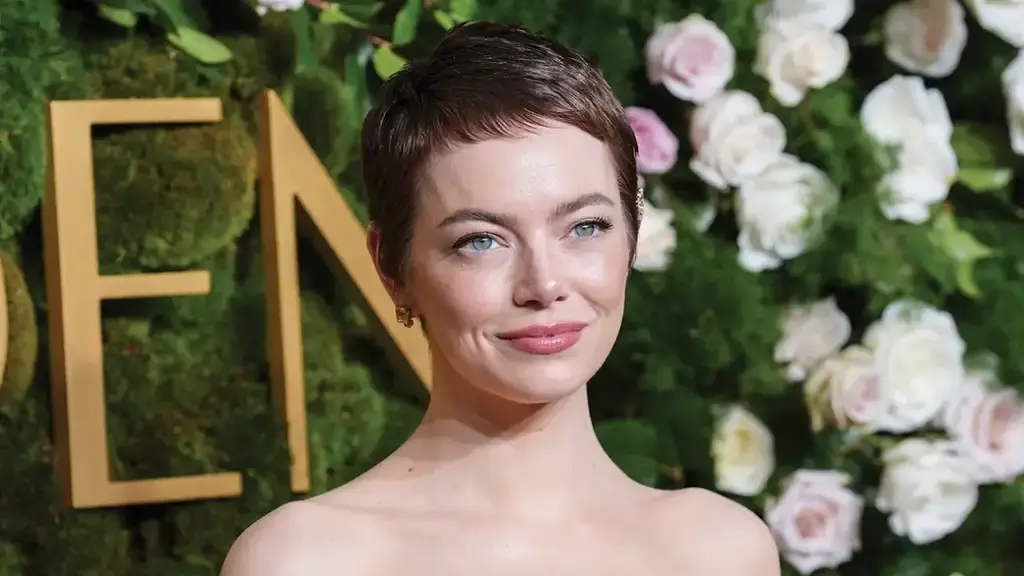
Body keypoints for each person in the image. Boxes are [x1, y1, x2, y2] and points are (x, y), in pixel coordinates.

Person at [222, 21, 780, 576]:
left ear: (632, 236)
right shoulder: (305, 561)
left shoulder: (719, 551)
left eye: (584, 227)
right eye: (481, 241)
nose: (544, 284)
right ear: (391, 266)